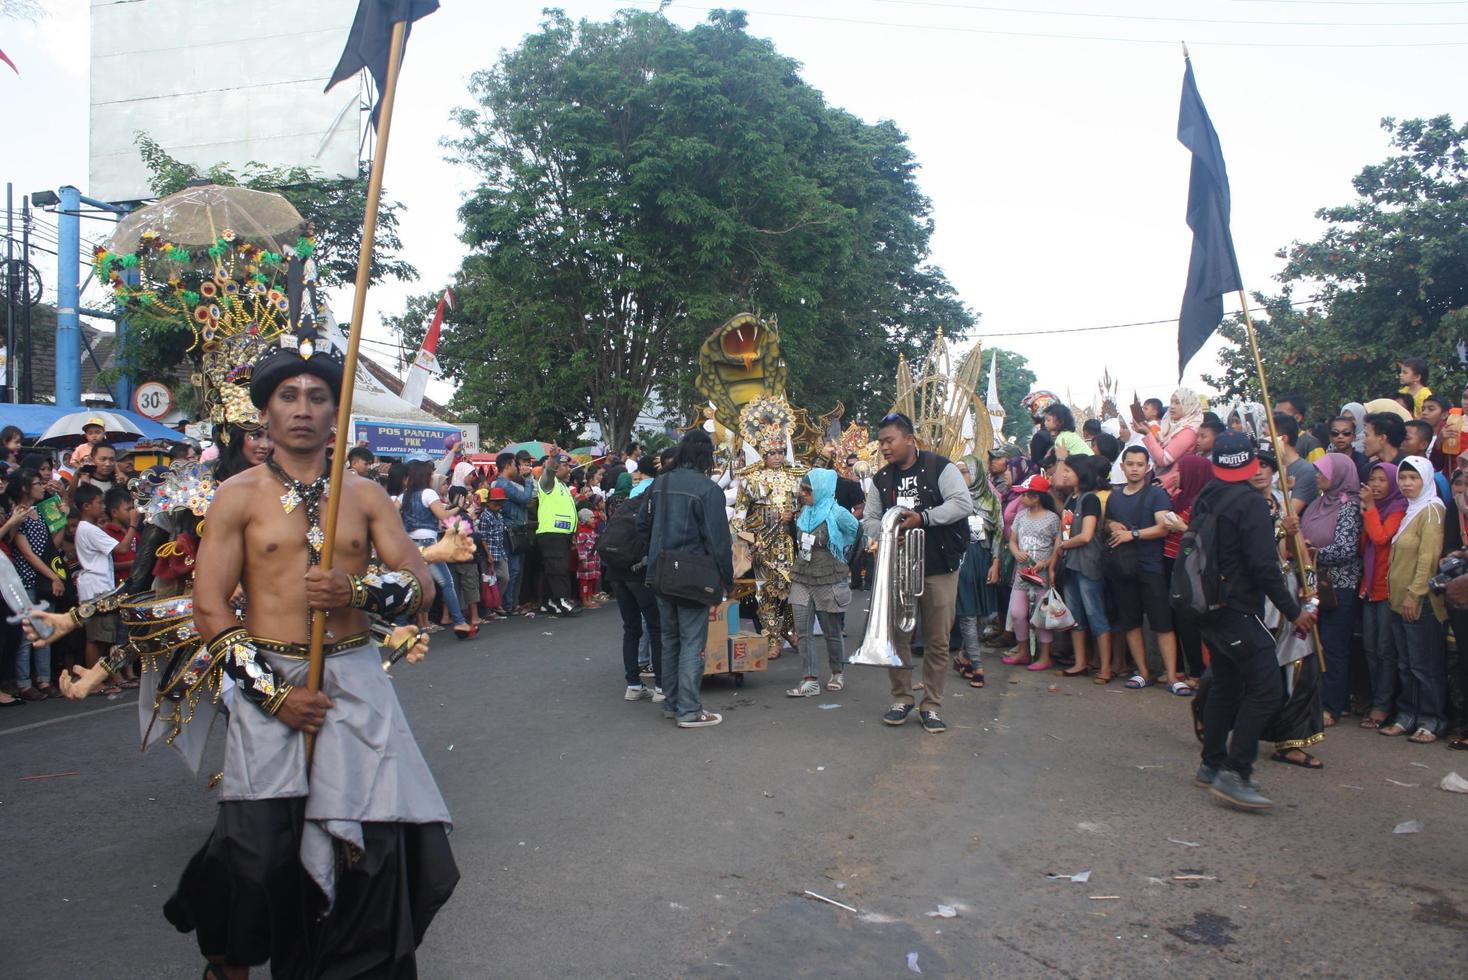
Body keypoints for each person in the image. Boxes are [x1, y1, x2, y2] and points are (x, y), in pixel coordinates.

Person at [166, 328, 457, 975]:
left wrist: (354, 588)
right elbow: (209, 606)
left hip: (354, 681)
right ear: (265, 413)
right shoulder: (235, 497)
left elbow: (421, 587)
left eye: (318, 396)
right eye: (289, 396)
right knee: (260, 854)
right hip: (269, 686)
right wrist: (274, 695)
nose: (303, 408)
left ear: (336, 410)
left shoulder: (366, 496)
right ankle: (231, 957)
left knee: (373, 850)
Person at [1191, 432, 1317, 810]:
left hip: (1205, 605)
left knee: (1228, 685)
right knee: (1267, 690)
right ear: (1249, 464)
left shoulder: (1208, 494)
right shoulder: (1250, 504)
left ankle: (1211, 764)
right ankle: (1235, 771)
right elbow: (1265, 568)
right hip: (1235, 609)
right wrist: (1294, 612)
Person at [861, 412, 974, 734]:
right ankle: (902, 698)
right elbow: (869, 517)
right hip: (898, 569)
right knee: (897, 638)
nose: (883, 447)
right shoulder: (881, 478)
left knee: (937, 639)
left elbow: (962, 504)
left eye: (889, 441)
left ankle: (932, 704)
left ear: (909, 439)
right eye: (881, 442)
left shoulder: (941, 467)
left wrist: (923, 518)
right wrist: (886, 529)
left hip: (938, 567)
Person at [639, 428, 733, 729]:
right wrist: (726, 579)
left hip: (660, 571)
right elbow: (719, 541)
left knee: (670, 639)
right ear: (706, 456)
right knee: (693, 641)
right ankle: (689, 710)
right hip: (693, 575)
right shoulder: (708, 490)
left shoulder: (661, 482)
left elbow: (642, 523)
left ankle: (672, 703)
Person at [1285, 454, 1363, 726]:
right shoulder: (1318, 502)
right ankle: (1313, 699)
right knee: (1311, 643)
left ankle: (1333, 704)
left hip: (1338, 586)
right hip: (1311, 583)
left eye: (1323, 472)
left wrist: (1312, 552)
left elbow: (1346, 548)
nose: (1317, 476)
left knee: (1333, 646)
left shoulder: (1349, 507)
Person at [1379, 456, 1449, 743]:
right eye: (1404, 478)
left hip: (1420, 603)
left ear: (1426, 480)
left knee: (1424, 665)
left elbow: (1428, 558)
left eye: (1414, 478)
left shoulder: (1432, 510)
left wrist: (1415, 594)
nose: (1407, 484)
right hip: (1398, 600)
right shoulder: (1412, 509)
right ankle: (1408, 716)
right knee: (1406, 664)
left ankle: (1432, 720)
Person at [1103, 446, 1183, 692]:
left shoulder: (1156, 495)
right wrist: (1111, 525)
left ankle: (1171, 676)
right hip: (1123, 567)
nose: (1135, 468)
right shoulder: (1115, 496)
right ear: (1123, 466)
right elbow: (1107, 523)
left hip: (1151, 566)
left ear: (1148, 467)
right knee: (1131, 622)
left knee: (1162, 622)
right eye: (1130, 464)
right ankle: (1143, 672)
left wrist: (1132, 534)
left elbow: (1163, 527)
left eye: (1140, 464)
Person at [786, 469, 860, 698]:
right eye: (803, 489)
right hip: (802, 575)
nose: (804, 494)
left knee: (831, 631)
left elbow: (858, 534)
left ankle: (837, 672)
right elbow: (798, 540)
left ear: (822, 490)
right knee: (802, 630)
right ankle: (810, 679)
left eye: (808, 490)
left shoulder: (838, 513)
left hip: (829, 577)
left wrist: (845, 560)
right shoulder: (804, 513)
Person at [1052, 455, 1112, 681]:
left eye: (1069, 470)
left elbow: (1086, 535)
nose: (1064, 474)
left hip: (1087, 564)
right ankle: (1080, 662)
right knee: (1075, 617)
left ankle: (1105, 667)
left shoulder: (1090, 500)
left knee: (1096, 614)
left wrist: (1063, 546)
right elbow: (1063, 532)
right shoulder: (1070, 500)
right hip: (1069, 565)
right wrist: (1054, 562)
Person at [398, 458, 473, 637]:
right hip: (428, 545)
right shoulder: (429, 493)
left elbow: (391, 513)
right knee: (446, 583)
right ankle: (460, 622)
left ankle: (399, 625)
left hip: (409, 546)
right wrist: (458, 508)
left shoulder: (404, 496)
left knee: (410, 586)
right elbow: (443, 516)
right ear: (425, 476)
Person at [6, 467, 63, 700]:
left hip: (44, 577)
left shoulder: (40, 512)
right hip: (27, 579)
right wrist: (54, 576)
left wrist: (61, 519)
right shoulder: (17, 513)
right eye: (37, 483)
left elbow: (53, 544)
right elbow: (27, 554)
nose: (42, 486)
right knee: (28, 634)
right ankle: (24, 682)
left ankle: (44, 679)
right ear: (24, 487)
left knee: (46, 630)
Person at [1358, 462, 1407, 730]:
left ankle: (1382, 706)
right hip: (1369, 585)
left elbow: (1380, 537)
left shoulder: (1398, 508)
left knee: (1386, 650)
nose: (1375, 485)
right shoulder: (1373, 508)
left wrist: (1370, 509)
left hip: (1387, 587)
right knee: (1370, 648)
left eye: (1381, 480)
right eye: (1372, 479)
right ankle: (1376, 699)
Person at [997, 473, 1061, 671]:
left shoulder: (1053, 519)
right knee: (1017, 613)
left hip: (1041, 576)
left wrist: (1046, 563)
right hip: (1021, 573)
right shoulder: (1020, 516)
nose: (1021, 499)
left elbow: (1057, 547)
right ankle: (1023, 651)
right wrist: (1016, 553)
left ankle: (1044, 656)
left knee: (1041, 616)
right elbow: (1013, 540)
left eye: (1024, 495)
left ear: (1036, 497)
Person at [1163, 455, 1215, 689]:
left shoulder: (1202, 503)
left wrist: (1180, 527)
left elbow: (1203, 538)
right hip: (1170, 560)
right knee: (1175, 618)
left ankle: (1197, 672)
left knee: (1188, 621)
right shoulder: (1179, 496)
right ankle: (1181, 669)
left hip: (1189, 566)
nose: (1177, 474)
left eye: (1181, 470)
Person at [72, 483, 129, 695]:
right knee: (96, 638)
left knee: (104, 637)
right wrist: (133, 526)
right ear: (86, 506)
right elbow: (122, 549)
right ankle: (92, 680)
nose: (102, 507)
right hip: (96, 589)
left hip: (99, 587)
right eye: (99, 503)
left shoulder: (87, 528)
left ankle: (98, 678)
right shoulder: (89, 529)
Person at [954, 454, 1002, 687]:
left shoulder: (991, 500)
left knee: (984, 615)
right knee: (967, 614)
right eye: (958, 471)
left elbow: (998, 534)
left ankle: (963, 655)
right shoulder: (951, 498)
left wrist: (995, 562)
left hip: (983, 559)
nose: (960, 476)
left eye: (964, 471)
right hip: (961, 560)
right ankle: (978, 665)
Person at [1138, 387, 1203, 493]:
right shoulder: (1170, 424)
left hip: (1173, 487)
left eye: (1178, 403)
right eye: (1171, 402)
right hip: (1163, 481)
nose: (1172, 407)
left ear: (1189, 405)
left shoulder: (1189, 431)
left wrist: (1147, 434)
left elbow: (1164, 459)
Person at [492, 451, 534, 615]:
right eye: (515, 465)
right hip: (510, 531)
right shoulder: (504, 484)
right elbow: (524, 499)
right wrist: (529, 479)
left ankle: (512, 603)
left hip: (517, 530)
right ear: (508, 466)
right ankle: (508, 604)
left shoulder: (507, 484)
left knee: (516, 570)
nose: (518, 468)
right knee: (513, 570)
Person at [1272, 413, 1319, 516]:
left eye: (1267, 435)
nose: (1263, 441)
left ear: (1282, 439)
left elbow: (1288, 515)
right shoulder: (1269, 466)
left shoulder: (1305, 471)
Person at [1402, 420, 1452, 502]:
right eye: (1400, 437)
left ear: (1423, 445)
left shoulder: (1435, 479)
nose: (1401, 442)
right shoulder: (1398, 469)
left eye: (1406, 439)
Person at [1274, 394, 1322, 460]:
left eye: (1281, 414)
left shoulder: (1310, 443)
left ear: (1297, 418)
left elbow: (1318, 469)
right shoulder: (1271, 440)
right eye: (1275, 414)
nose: (1276, 418)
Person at [1328, 415, 1373, 481]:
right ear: (1330, 438)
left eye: (1346, 433)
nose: (1340, 436)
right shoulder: (1326, 461)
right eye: (1335, 433)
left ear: (1354, 437)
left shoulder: (1363, 461)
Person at [574, 506, 602, 608]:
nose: (594, 520)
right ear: (585, 520)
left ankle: (590, 598)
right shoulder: (582, 533)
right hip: (586, 561)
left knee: (591, 580)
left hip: (594, 561)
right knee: (584, 581)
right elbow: (581, 548)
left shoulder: (593, 532)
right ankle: (584, 599)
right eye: (591, 518)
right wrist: (583, 560)